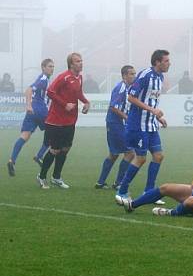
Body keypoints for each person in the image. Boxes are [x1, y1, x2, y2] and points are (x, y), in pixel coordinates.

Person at [115, 50, 171, 205]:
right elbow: (131, 97)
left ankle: (149, 192)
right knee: (140, 158)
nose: (169, 63)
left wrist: (158, 117)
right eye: (166, 61)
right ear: (157, 62)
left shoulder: (160, 77)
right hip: (138, 124)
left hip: (151, 124)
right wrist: (152, 111)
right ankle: (122, 191)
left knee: (158, 156)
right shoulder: (145, 75)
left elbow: (151, 101)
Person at [37, 53, 91, 189]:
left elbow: (78, 93)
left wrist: (86, 102)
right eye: (77, 61)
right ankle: (42, 176)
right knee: (54, 150)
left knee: (65, 149)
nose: (81, 63)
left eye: (81, 60)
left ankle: (56, 177)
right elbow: (50, 92)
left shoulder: (79, 77)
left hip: (70, 121)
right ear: (71, 64)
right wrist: (65, 104)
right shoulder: (64, 77)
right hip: (55, 121)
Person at [7, 59, 54, 177]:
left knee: (25, 136)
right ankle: (39, 156)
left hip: (32, 112)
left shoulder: (41, 78)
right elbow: (29, 90)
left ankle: (12, 160)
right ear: (43, 67)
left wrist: (29, 106)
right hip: (41, 111)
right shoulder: (43, 79)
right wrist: (28, 104)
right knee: (52, 135)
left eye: (53, 66)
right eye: (49, 66)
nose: (52, 68)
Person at [94, 65, 136, 189]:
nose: (134, 76)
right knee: (130, 153)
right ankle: (118, 183)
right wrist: (127, 117)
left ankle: (100, 182)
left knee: (114, 154)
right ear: (124, 76)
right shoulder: (121, 88)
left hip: (117, 124)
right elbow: (113, 106)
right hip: (116, 124)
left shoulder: (128, 88)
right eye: (131, 74)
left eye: (134, 74)